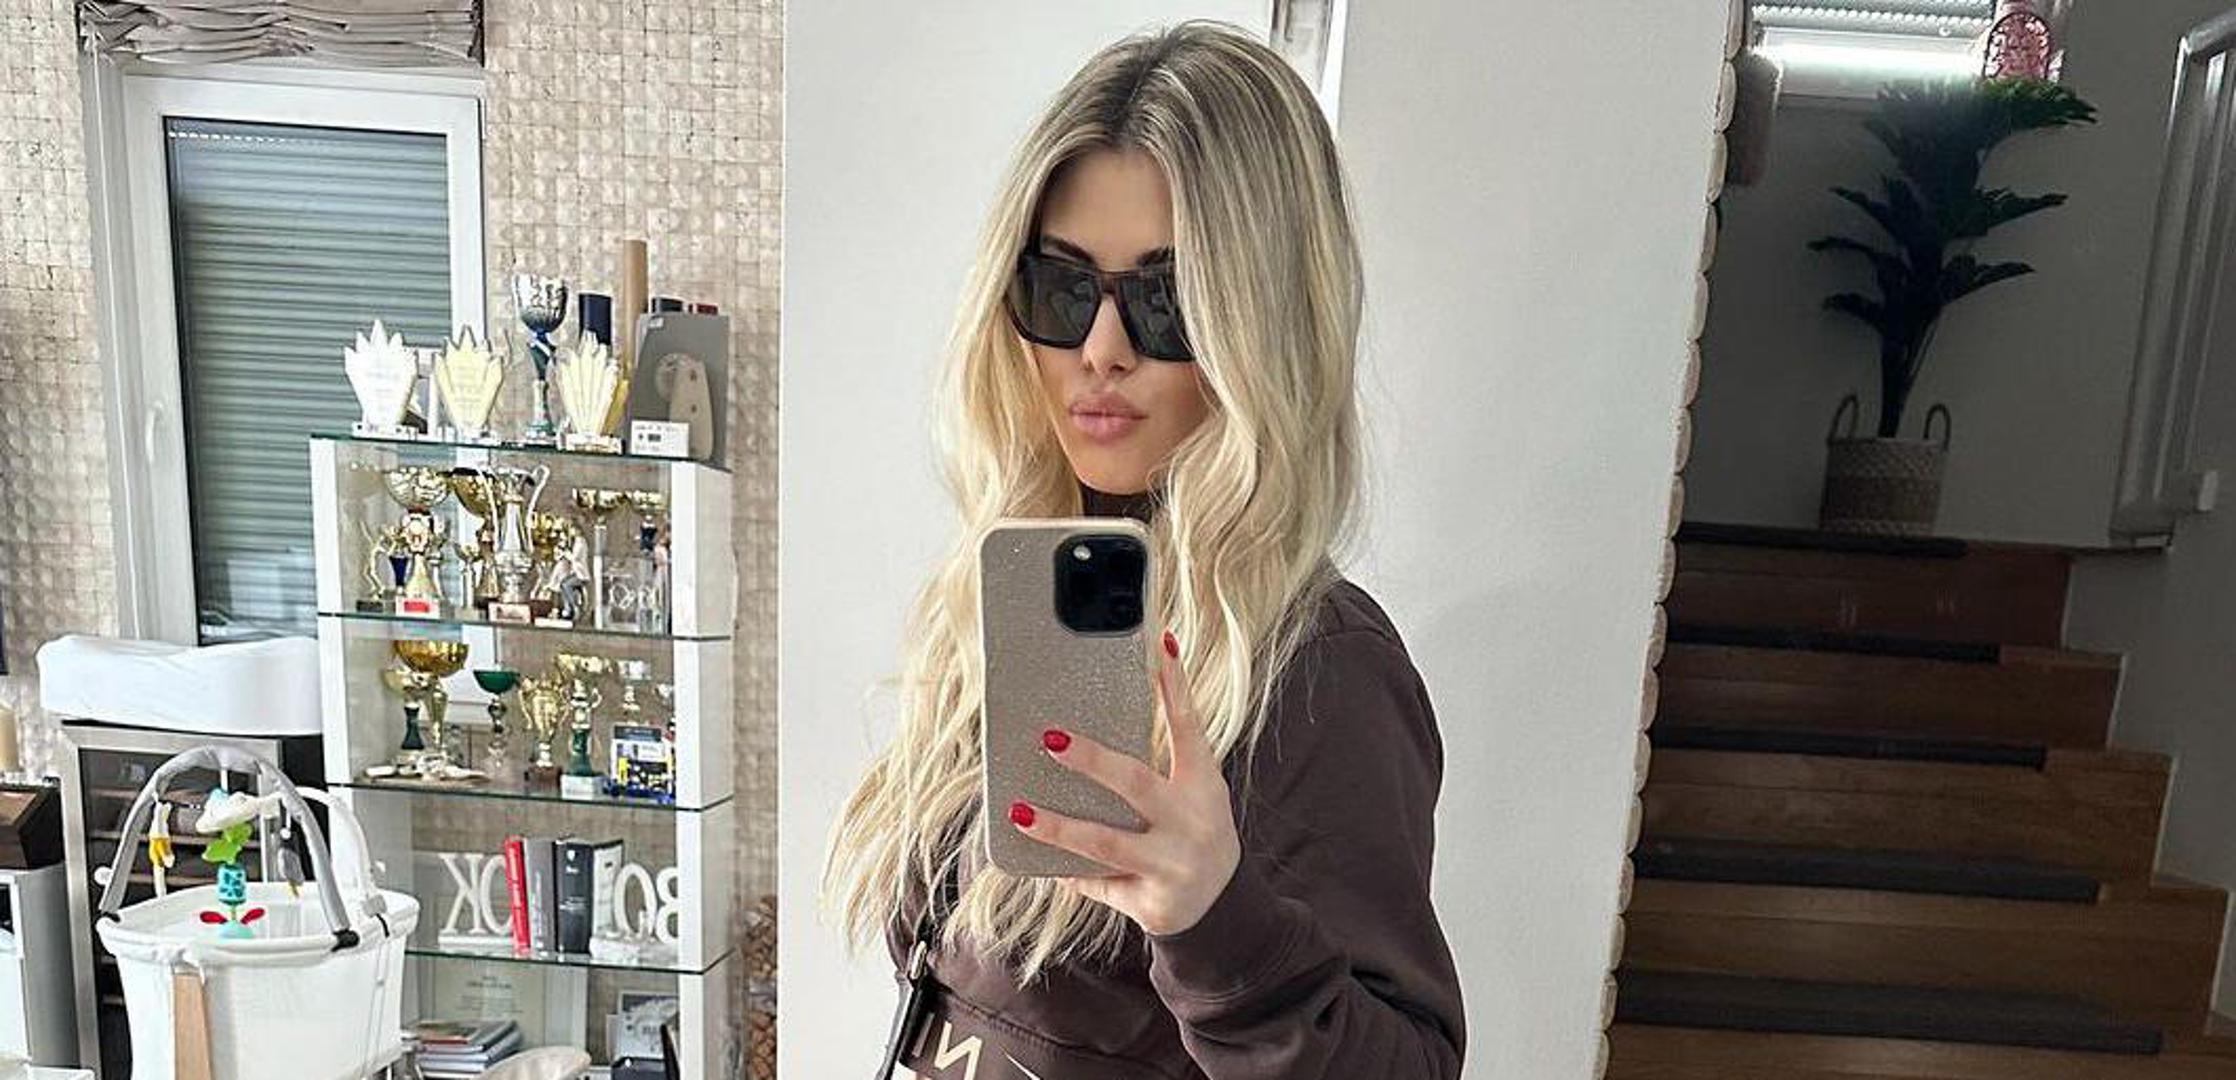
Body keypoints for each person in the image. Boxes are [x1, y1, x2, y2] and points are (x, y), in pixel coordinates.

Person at [821, 20, 1465, 1080]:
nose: (1101, 349)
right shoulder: (1029, 595)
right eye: (1062, 288)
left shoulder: (1320, 669)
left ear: (1261, 325)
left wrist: (1215, 918)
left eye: (1166, 302)